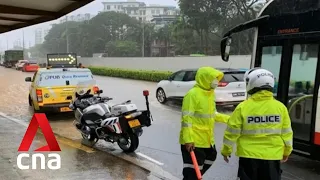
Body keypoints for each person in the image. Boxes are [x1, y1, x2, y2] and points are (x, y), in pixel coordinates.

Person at [221, 68, 293, 180]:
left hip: (248, 156)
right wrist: (287, 151)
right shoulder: (281, 108)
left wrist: (226, 150)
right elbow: (287, 133)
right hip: (272, 156)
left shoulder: (243, 107)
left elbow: (231, 132)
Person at [179, 66, 230, 180]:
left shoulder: (210, 94)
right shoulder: (192, 94)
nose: (216, 81)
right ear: (205, 79)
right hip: (193, 142)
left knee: (211, 158)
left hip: (207, 140)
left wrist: (229, 119)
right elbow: (186, 119)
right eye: (213, 78)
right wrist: (188, 139)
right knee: (192, 173)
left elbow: (213, 115)